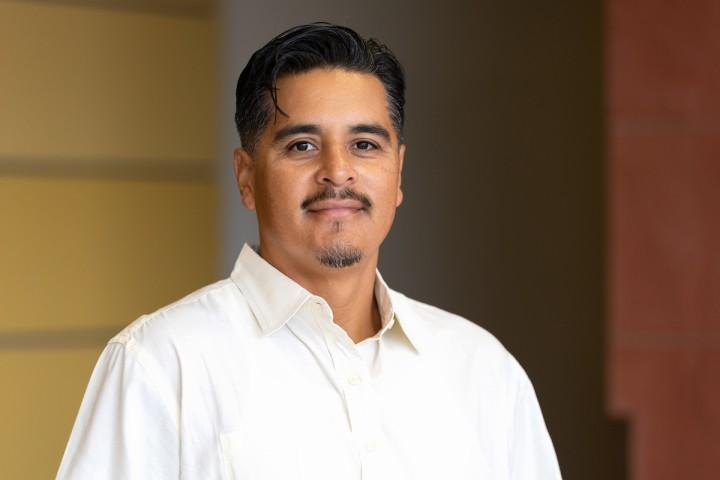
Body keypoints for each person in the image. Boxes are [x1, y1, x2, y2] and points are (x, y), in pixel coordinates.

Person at [57, 23, 561, 479]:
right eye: (301, 145)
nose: (337, 171)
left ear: (399, 172)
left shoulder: (484, 371)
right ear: (246, 175)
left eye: (365, 144)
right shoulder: (162, 364)